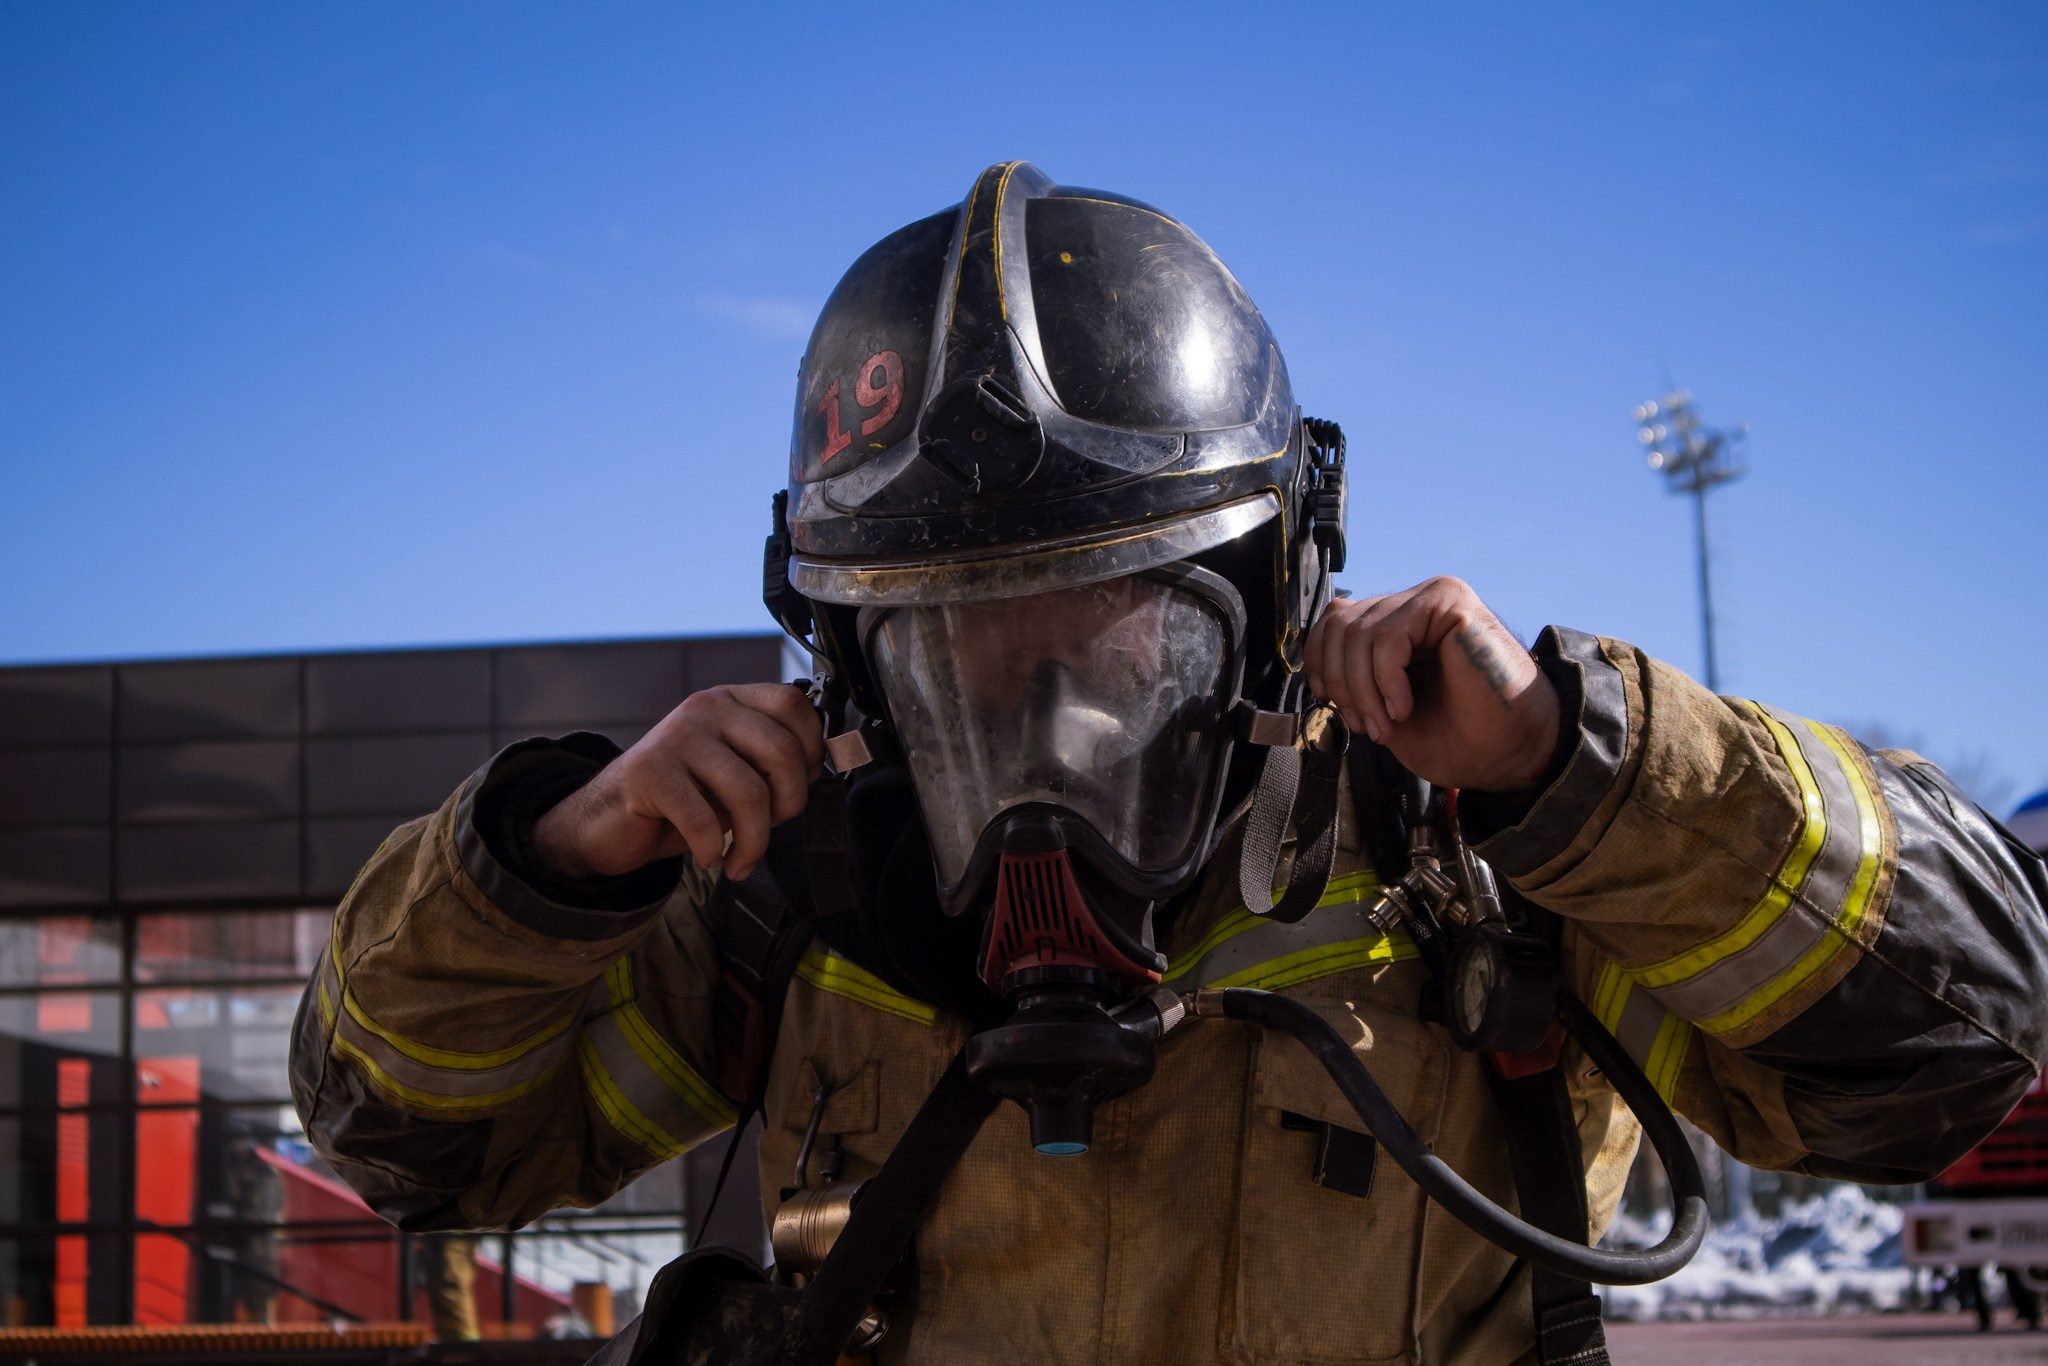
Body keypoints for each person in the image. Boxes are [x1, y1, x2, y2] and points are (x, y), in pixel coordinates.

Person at [289, 162, 2048, 1364]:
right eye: (965, 658)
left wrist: (1586, 770)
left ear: (1273, 602)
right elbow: (410, 1142)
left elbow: (1954, 1044)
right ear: (851, 664)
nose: (1044, 737)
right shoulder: (790, 914)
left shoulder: (1484, 884)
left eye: (1116, 643)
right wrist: (553, 862)